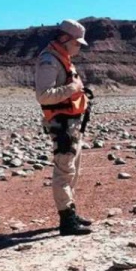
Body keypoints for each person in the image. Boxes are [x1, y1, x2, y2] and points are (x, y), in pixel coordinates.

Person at [34, 19, 93, 236]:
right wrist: (72, 89)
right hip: (62, 125)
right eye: (77, 43)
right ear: (64, 38)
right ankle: (66, 220)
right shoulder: (49, 60)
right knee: (64, 171)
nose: (79, 48)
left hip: (72, 123)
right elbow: (43, 95)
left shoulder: (63, 58)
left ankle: (70, 211)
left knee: (72, 170)